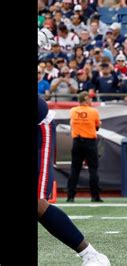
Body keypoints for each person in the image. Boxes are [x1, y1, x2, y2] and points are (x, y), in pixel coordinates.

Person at [37, 96, 110, 266]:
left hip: (38, 128)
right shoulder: (89, 111)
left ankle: (91, 255)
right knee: (84, 170)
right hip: (85, 141)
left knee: (38, 203)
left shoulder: (77, 111)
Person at [67, 92, 103, 202]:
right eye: (90, 99)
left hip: (77, 142)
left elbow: (72, 124)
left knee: (74, 170)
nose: (91, 101)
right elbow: (97, 126)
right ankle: (95, 196)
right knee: (93, 169)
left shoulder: (73, 111)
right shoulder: (93, 112)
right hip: (90, 142)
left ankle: (70, 196)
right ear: (86, 99)